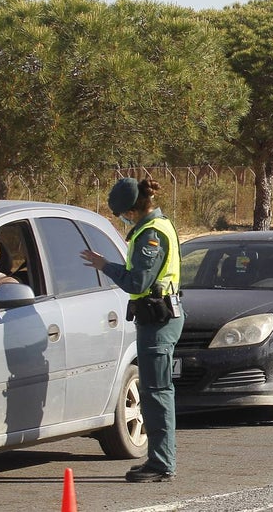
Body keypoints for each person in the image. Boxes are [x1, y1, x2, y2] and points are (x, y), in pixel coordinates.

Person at [80, 177, 184, 483]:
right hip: (157, 317)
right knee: (154, 392)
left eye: (121, 214)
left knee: (157, 394)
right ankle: (160, 460)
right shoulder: (155, 225)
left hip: (158, 319)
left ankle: (162, 463)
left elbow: (137, 282)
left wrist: (105, 266)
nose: (121, 219)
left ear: (132, 209)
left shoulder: (152, 234)